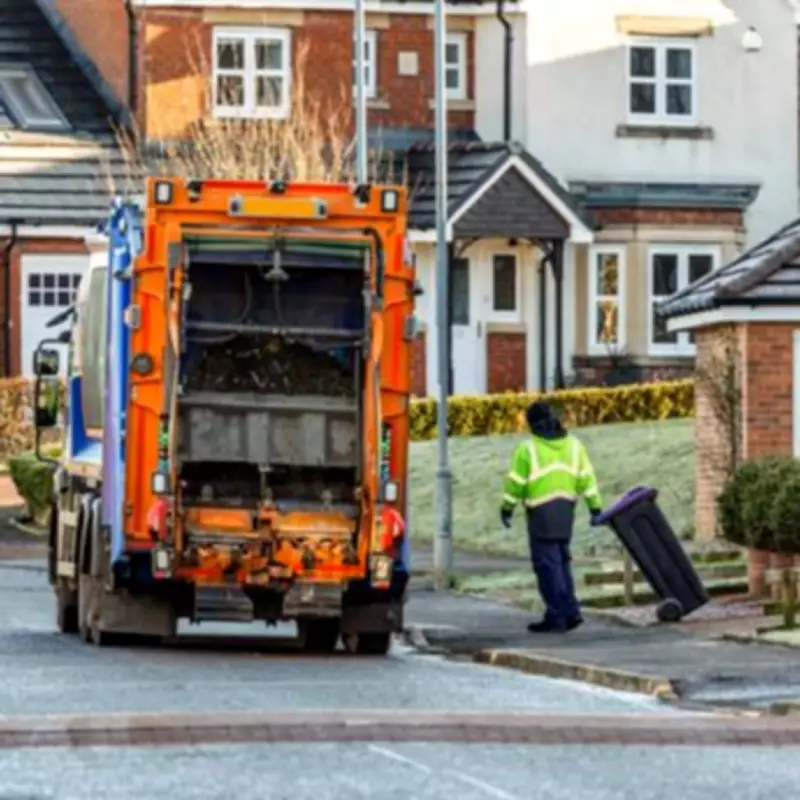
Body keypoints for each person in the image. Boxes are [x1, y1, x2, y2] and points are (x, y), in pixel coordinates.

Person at [500, 401, 603, 634]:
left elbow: (515, 483)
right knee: (562, 562)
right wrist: (595, 508)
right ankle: (570, 611)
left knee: (547, 566)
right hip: (566, 510)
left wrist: (507, 508)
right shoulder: (574, 446)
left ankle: (557, 616)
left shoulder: (528, 449)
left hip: (540, 512)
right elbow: (587, 479)